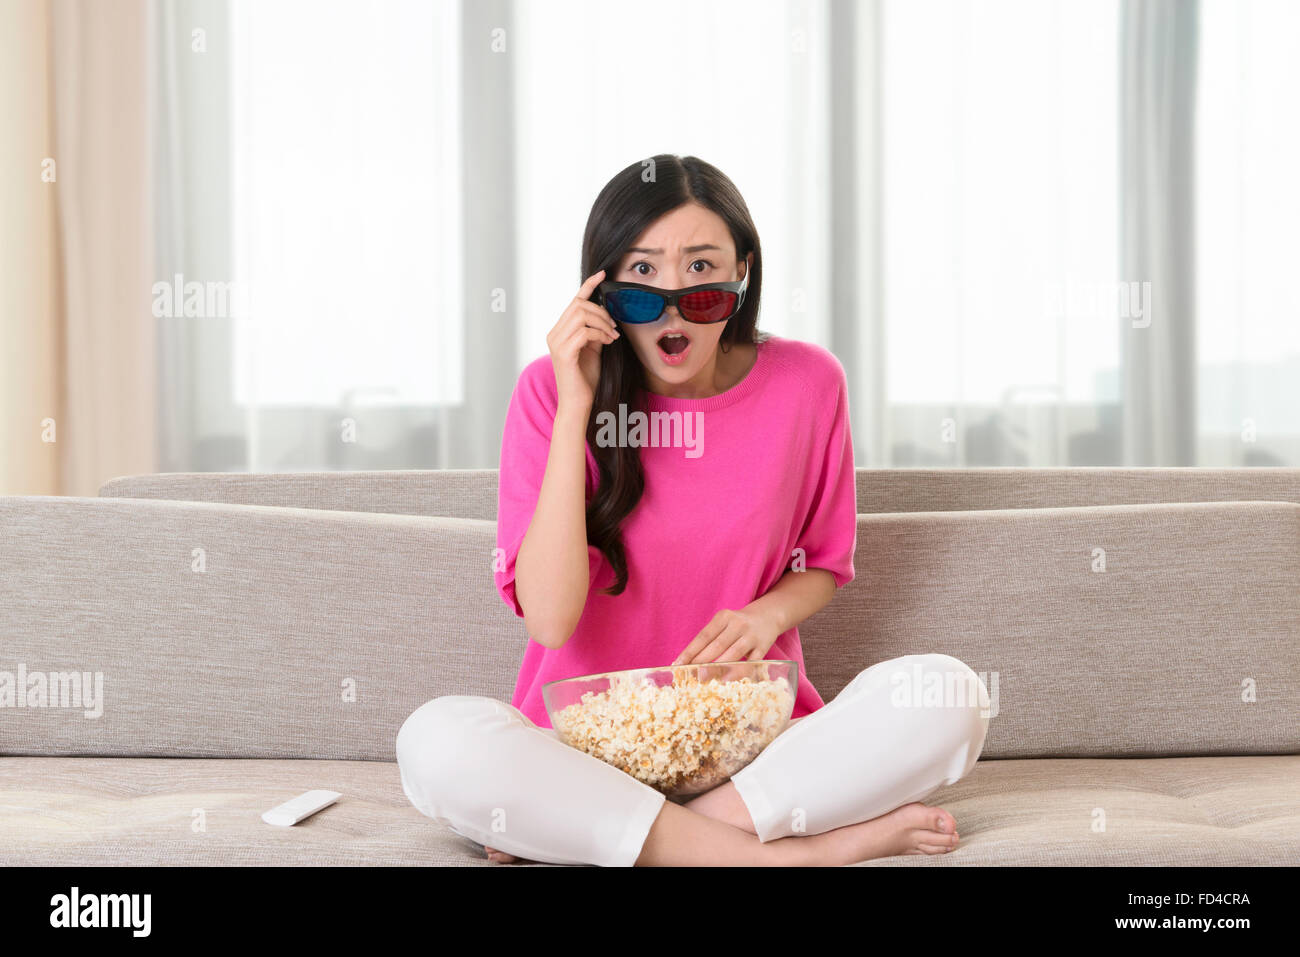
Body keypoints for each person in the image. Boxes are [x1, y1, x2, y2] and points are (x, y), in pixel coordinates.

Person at [396, 154, 990, 866]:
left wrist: (765, 616)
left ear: (741, 271)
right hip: (582, 755)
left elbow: (824, 563)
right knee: (435, 741)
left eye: (701, 272)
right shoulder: (549, 392)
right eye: (642, 275)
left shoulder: (808, 383)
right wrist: (576, 406)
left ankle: (632, 836)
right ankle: (792, 856)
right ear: (601, 286)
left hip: (753, 752)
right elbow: (549, 617)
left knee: (947, 694)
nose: (672, 303)